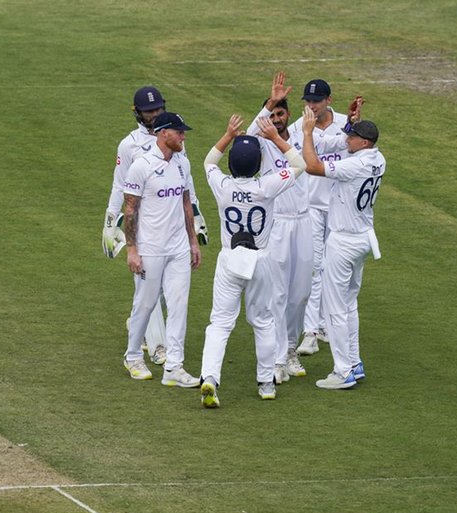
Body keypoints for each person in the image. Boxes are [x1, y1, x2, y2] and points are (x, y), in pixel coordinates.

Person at [199, 114, 307, 407]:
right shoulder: (266, 186)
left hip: (229, 259)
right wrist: (276, 139)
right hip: (261, 259)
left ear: (232, 163)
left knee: (220, 324)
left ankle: (210, 378)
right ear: (258, 164)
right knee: (263, 322)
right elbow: (299, 165)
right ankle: (266, 383)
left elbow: (209, 162)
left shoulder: (222, 185)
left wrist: (227, 135)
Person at [103, 86, 209, 366]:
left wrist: (196, 218)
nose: (154, 114)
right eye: (149, 110)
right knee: (147, 293)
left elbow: (185, 182)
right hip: (145, 227)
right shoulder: (129, 145)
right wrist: (110, 222)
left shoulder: (175, 137)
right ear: (137, 112)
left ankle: (148, 334)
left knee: (166, 292)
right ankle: (156, 346)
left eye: (158, 109)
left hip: (173, 225)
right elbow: (120, 186)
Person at [299, 110, 386, 389]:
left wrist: (308, 133)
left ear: (365, 143)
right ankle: (354, 362)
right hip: (363, 238)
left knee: (334, 308)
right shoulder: (378, 159)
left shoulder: (354, 166)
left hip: (344, 242)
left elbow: (312, 166)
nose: (347, 139)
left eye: (353, 137)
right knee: (349, 304)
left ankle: (342, 371)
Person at [122, 111, 201, 388]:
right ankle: (133, 356)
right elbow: (130, 210)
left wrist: (192, 242)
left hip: (178, 248)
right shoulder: (141, 166)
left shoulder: (182, 164)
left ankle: (174, 367)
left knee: (179, 305)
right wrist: (132, 249)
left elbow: (186, 203)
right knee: (145, 304)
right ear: (163, 133)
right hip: (150, 248)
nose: (183, 137)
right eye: (179, 132)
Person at [244, 72, 313, 383]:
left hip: (304, 221)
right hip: (278, 224)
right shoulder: (261, 141)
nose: (276, 119)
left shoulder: (301, 135)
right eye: (271, 115)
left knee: (301, 293)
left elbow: (331, 141)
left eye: (280, 113)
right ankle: (277, 358)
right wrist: (269, 103)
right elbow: (246, 134)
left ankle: (291, 349)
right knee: (278, 294)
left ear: (288, 115)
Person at [293, 79, 352, 357]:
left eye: (316, 101)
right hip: (313, 207)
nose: (311, 106)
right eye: (307, 101)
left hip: (341, 206)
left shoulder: (346, 123)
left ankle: (328, 323)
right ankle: (310, 332)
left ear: (329, 100)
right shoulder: (300, 126)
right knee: (315, 268)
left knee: (336, 267)